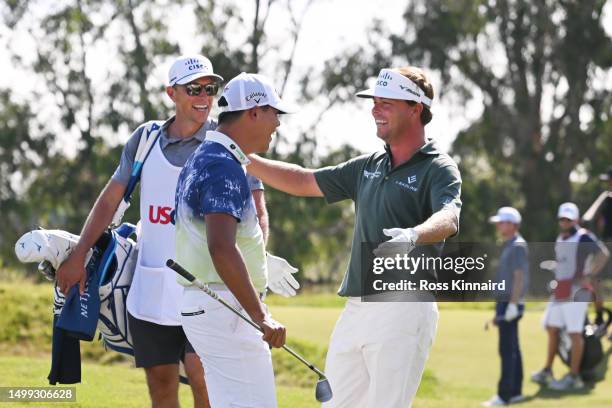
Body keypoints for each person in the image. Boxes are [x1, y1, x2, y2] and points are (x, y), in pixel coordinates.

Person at [55, 55, 267, 408]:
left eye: (210, 88)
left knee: (202, 375)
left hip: (209, 289)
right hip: (151, 289)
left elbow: (257, 209)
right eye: (193, 88)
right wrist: (78, 255)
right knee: (161, 382)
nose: (204, 96)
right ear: (172, 93)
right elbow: (109, 201)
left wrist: (256, 270)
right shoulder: (145, 139)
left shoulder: (228, 140)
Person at [247, 67, 462, 407]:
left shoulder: (438, 167)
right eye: (374, 102)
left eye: (386, 103)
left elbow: (449, 217)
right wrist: (244, 157)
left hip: (404, 304)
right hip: (357, 307)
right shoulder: (368, 165)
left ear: (415, 108)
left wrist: (412, 235)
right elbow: (304, 180)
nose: (375, 110)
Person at [174, 72, 292, 407]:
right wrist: (261, 316)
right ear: (254, 112)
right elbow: (221, 247)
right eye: (274, 114)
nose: (277, 124)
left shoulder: (206, 157)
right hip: (226, 306)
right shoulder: (223, 165)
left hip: (213, 304)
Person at [531, 202, 609, 390]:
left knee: (575, 333)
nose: (565, 221)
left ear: (575, 219)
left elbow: (603, 254)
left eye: (568, 218)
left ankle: (574, 376)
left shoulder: (583, 237)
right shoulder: (561, 237)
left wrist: (588, 276)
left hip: (577, 291)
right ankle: (547, 370)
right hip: (561, 289)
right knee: (552, 328)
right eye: (562, 218)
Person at [482, 207, 528, 407]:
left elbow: (519, 277)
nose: (499, 226)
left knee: (506, 349)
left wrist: (512, 305)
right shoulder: (509, 244)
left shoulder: (517, 245)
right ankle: (516, 392)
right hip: (505, 302)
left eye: (502, 222)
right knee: (513, 348)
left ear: (512, 224)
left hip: (510, 302)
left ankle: (504, 396)